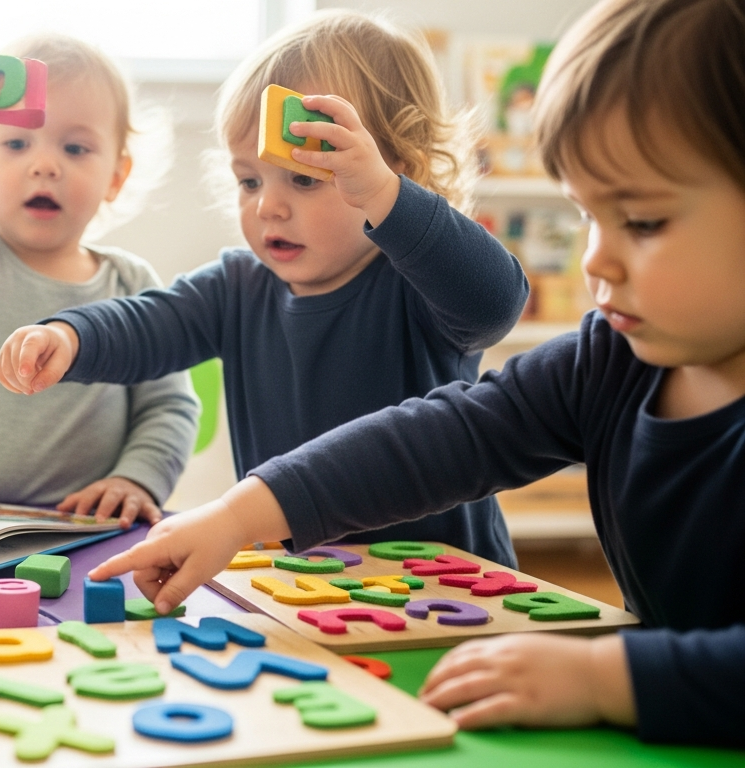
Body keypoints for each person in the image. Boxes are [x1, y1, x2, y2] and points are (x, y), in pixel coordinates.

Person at [89, 0, 745, 746]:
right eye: (588, 217)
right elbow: (447, 436)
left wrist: (609, 677)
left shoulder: (411, 282)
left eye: (644, 221)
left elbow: (494, 299)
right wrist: (238, 517)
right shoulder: (611, 363)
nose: (596, 259)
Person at [0, 12, 528, 561]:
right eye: (248, 181)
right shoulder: (240, 285)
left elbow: (496, 301)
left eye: (303, 178)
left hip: (444, 583)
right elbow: (151, 323)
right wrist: (70, 335)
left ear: (394, 174)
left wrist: (389, 199)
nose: (267, 206)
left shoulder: (418, 284)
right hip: (300, 582)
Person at [0, 35, 198, 528]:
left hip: (78, 526)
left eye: (75, 147)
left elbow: (169, 405)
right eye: (17, 143)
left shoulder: (131, 284)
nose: (44, 165)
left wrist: (136, 479)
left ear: (117, 175)